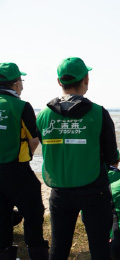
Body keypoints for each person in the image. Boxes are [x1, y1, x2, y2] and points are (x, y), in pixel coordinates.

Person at [36, 57, 118, 260]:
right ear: (86, 79)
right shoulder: (98, 113)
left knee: (59, 248)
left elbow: (37, 147)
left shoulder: (44, 114)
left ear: (59, 82)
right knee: (100, 248)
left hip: (59, 190)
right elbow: (112, 158)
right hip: (94, 191)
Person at [0, 62, 48, 259]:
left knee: (1, 215)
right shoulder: (21, 106)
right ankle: (36, 253)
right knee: (34, 212)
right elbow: (34, 140)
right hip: (16, 170)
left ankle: (5, 254)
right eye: (22, 81)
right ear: (16, 83)